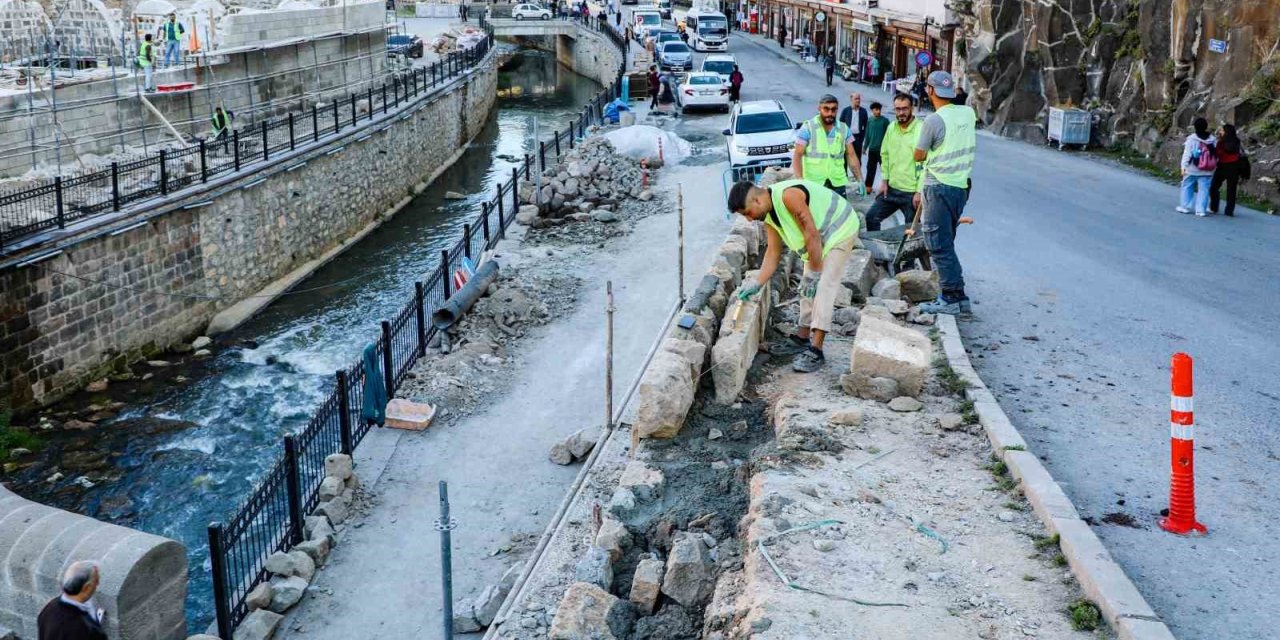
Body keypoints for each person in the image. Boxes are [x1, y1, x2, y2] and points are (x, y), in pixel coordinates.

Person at [726, 179, 862, 372]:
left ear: (757, 200)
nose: (749, 219)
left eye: (747, 212)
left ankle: (816, 350)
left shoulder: (789, 196)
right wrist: (757, 283)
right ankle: (802, 337)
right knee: (806, 288)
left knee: (824, 285)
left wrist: (814, 272)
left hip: (839, 230)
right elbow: (773, 253)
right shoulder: (769, 216)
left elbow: (812, 234)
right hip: (817, 241)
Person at [913, 71, 977, 315]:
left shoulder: (933, 121)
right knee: (947, 242)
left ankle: (950, 297)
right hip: (960, 187)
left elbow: (919, 154)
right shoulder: (968, 114)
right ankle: (959, 297)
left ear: (930, 90)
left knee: (938, 244)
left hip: (938, 186)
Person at [864, 93, 923, 231]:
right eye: (898, 109)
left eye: (905, 108)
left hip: (911, 193)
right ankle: (877, 250)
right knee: (871, 217)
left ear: (912, 108)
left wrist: (919, 191)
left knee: (911, 233)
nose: (901, 113)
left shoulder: (921, 129)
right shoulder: (891, 128)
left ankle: (908, 253)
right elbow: (884, 154)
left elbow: (926, 164)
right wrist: (884, 181)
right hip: (890, 190)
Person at [791, 94, 863, 198]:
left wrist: (860, 179)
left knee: (840, 214)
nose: (830, 113)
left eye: (833, 110)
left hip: (838, 184)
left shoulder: (844, 129)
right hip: (814, 184)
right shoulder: (808, 128)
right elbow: (797, 156)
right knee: (816, 214)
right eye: (826, 109)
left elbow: (851, 155)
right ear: (819, 108)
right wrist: (800, 182)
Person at [38, 561, 107, 640]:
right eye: (96, 581)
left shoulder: (49, 609)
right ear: (86, 588)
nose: (97, 584)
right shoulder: (78, 629)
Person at [1178, 117, 1216, 217]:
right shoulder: (1212, 140)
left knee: (1187, 186)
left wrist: (1183, 167)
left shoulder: (1192, 139)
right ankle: (1200, 210)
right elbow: (1215, 155)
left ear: (1195, 127)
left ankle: (1185, 206)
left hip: (1192, 169)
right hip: (1207, 170)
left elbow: (1187, 154)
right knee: (1204, 190)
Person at [1210, 123, 1245, 216]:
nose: (1220, 132)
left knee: (1214, 187)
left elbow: (1217, 153)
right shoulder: (1237, 141)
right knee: (1231, 190)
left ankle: (1214, 207)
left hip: (1222, 166)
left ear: (1226, 132)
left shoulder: (1221, 142)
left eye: (1222, 130)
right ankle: (1229, 211)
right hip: (1235, 167)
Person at [862, 100, 889, 192]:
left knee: (885, 169)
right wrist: (865, 147)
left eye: (879, 109)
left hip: (882, 150)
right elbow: (867, 134)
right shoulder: (870, 120)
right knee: (870, 169)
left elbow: (889, 135)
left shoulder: (885, 121)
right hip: (872, 150)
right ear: (872, 110)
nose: (878, 111)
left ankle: (888, 187)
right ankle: (868, 187)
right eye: (876, 110)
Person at [838, 91, 867, 157]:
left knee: (857, 159)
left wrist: (862, 137)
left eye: (859, 99)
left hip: (858, 138)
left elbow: (866, 126)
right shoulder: (845, 110)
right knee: (845, 159)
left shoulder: (863, 111)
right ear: (851, 99)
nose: (858, 100)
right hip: (847, 137)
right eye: (856, 99)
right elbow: (841, 124)